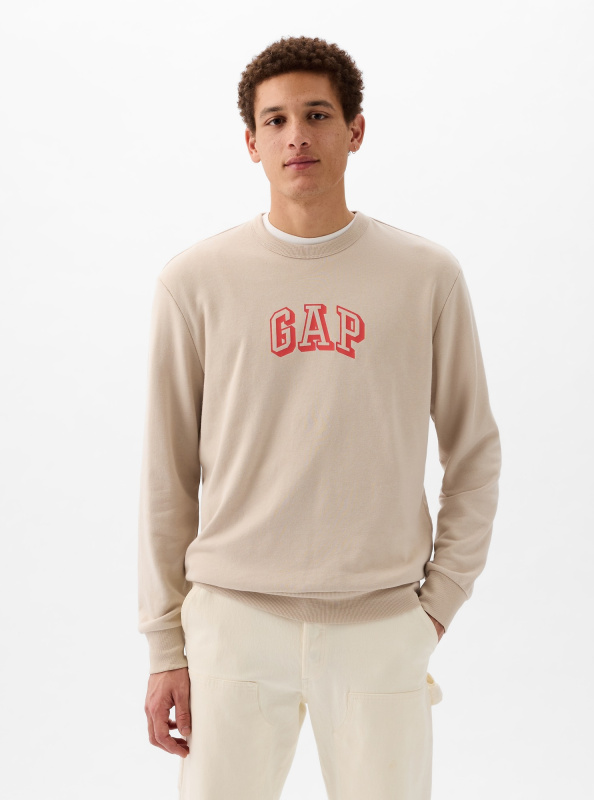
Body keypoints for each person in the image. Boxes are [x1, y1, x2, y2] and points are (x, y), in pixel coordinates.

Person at [138, 34, 502, 800]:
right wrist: (165, 644)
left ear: (355, 129)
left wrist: (437, 604)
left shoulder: (426, 277)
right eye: (274, 120)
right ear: (251, 142)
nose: (296, 135)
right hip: (232, 625)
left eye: (316, 114)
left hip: (380, 627)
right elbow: (165, 475)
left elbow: (473, 450)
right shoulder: (194, 283)